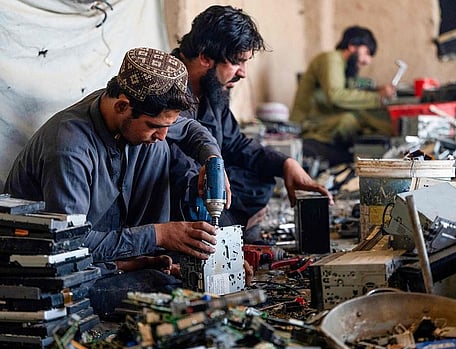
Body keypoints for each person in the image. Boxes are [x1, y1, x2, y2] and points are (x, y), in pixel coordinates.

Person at [4, 47, 231, 316]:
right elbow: (69, 244)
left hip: (107, 254)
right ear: (122, 106)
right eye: (155, 126)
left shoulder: (137, 112)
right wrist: (159, 234)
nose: (162, 134)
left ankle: (137, 262)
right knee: (168, 292)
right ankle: (133, 265)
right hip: (50, 269)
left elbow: (191, 129)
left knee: (157, 147)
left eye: (167, 125)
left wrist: (213, 160)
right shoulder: (69, 148)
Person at [168, 5, 333, 241]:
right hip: (177, 194)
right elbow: (181, 174)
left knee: (259, 179)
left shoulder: (213, 90)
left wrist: (287, 164)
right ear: (205, 57)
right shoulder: (166, 89)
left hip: (209, 188)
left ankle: (234, 233)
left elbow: (236, 144)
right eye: (237, 62)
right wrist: (229, 247)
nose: (243, 73)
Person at [291, 25, 397, 166]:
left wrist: (376, 91)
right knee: (349, 121)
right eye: (366, 52)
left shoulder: (343, 66)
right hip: (309, 127)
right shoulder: (331, 59)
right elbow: (336, 96)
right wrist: (378, 97)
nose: (367, 61)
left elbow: (349, 94)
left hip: (325, 124)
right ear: (352, 45)